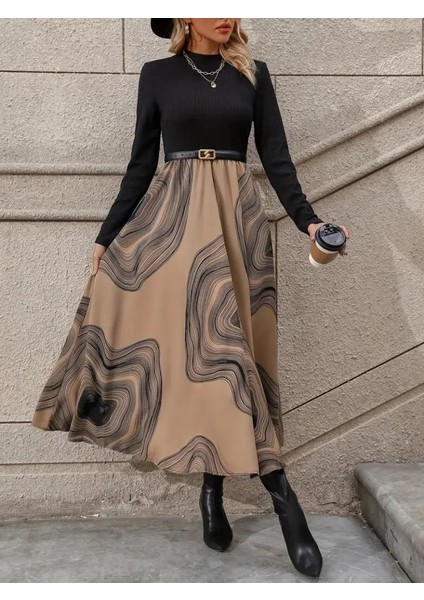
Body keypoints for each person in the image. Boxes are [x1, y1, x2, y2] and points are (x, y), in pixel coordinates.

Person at [32, 18, 349, 579]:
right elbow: (140, 164)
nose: (226, 14)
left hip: (238, 224)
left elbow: (277, 159)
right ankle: (284, 501)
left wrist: (309, 222)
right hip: (175, 226)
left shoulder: (253, 75)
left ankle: (212, 489)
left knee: (231, 360)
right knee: (215, 356)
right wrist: (106, 238)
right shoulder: (157, 75)